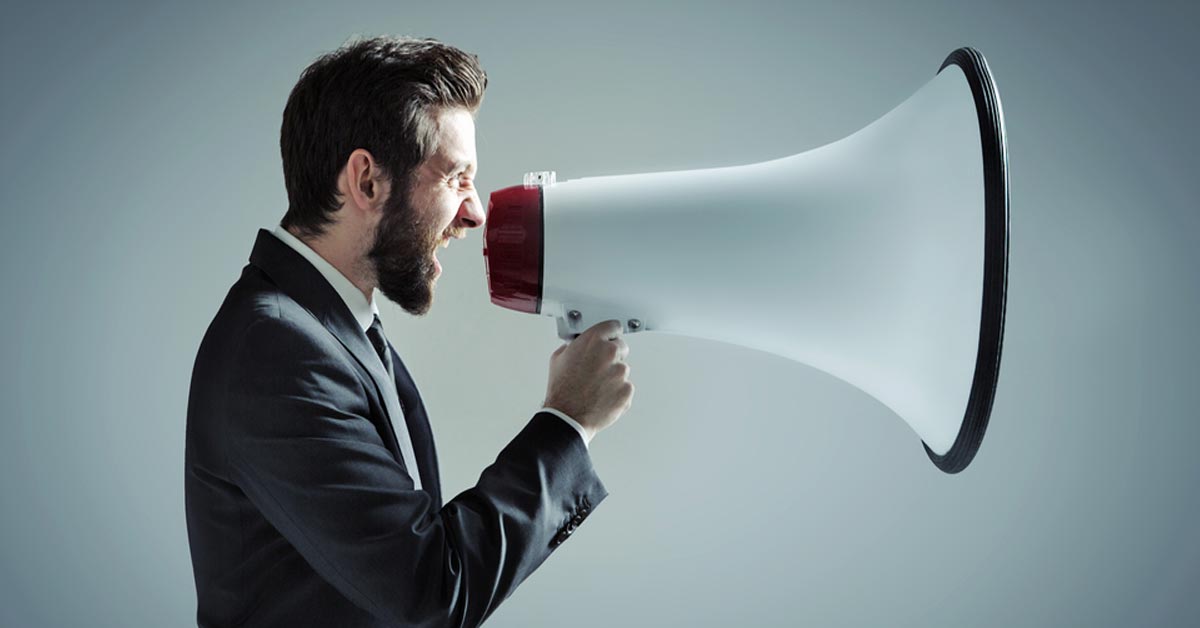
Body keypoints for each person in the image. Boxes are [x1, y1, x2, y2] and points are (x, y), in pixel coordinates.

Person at [184, 36, 634, 627]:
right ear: (367, 181)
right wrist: (566, 423)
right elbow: (429, 589)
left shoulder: (329, 328)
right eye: (457, 178)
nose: (475, 213)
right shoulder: (276, 351)